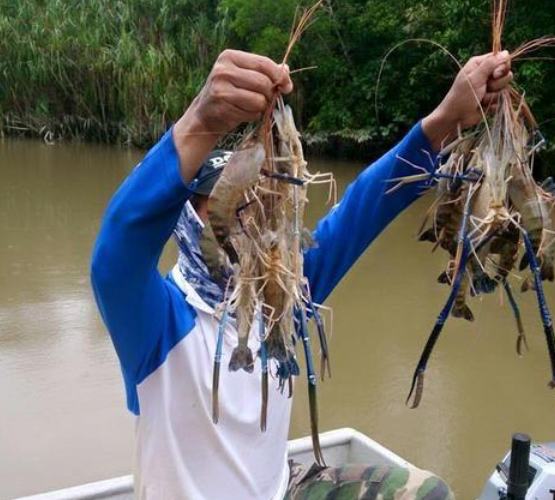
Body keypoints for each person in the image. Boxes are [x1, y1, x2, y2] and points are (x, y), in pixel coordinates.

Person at [91, 48, 512, 500]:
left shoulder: (283, 294)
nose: (249, 215)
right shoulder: (157, 320)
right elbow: (115, 257)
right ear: (191, 221)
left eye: (257, 200)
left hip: (280, 489)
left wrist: (447, 118)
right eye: (227, 202)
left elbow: (363, 208)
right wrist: (202, 121)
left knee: (430, 494)